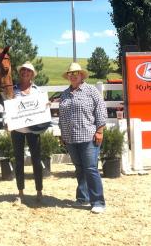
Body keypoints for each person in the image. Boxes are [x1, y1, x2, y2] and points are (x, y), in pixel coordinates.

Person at [58, 62, 107, 214]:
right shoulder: (65, 94)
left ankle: (98, 201)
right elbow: (62, 116)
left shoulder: (91, 91)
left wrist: (100, 131)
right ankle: (82, 197)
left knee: (91, 168)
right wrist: (62, 134)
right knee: (79, 168)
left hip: (88, 136)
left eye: (76, 73)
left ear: (81, 75)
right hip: (70, 138)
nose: (73, 76)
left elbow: (101, 111)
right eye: (70, 74)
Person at [10, 61, 45, 204]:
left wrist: (46, 105)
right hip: (17, 129)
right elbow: (8, 108)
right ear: (20, 73)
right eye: (23, 70)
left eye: (28, 71)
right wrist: (7, 121)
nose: (25, 73)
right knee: (19, 161)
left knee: (36, 160)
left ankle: (39, 191)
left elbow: (42, 107)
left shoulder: (37, 91)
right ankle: (20, 192)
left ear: (32, 74)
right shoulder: (13, 90)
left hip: (34, 130)